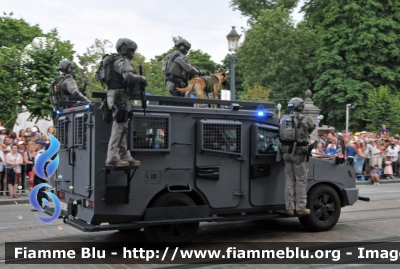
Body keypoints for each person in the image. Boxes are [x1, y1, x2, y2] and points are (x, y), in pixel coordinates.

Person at [105, 38, 145, 167]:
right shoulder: (122, 61)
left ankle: (124, 155)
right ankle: (112, 157)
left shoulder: (113, 60)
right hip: (120, 96)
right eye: (131, 50)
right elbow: (128, 77)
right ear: (124, 49)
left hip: (115, 95)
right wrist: (142, 78)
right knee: (118, 128)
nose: (133, 53)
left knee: (122, 127)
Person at [279, 97, 315, 215]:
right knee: (301, 180)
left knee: (289, 180)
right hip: (299, 154)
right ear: (301, 107)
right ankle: (300, 207)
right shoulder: (305, 119)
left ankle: (289, 207)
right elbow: (312, 127)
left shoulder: (282, 119)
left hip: (285, 153)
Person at [30, 140, 47, 211]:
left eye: (36, 145)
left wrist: (32, 176)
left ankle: (39, 205)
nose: (35, 146)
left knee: (38, 190)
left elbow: (36, 166)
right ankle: (46, 204)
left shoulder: (38, 154)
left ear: (40, 146)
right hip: (44, 173)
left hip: (38, 173)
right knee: (43, 189)